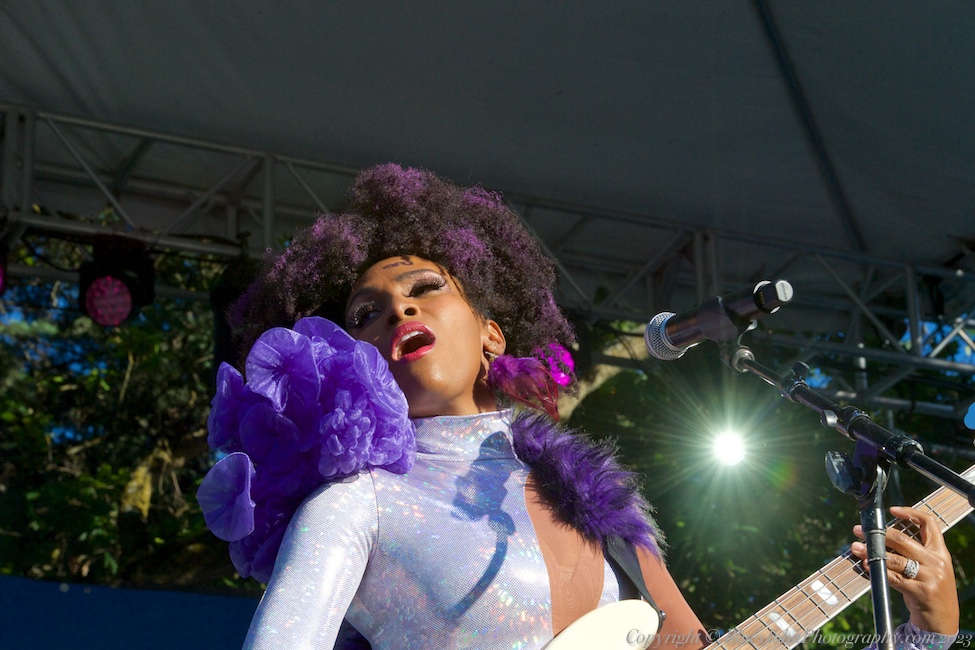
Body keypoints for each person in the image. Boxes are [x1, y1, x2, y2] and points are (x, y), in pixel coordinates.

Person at [199, 163, 960, 649]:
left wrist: (924, 634)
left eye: (425, 288)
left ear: (492, 333)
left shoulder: (602, 508)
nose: (399, 310)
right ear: (352, 358)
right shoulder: (353, 506)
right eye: (366, 311)